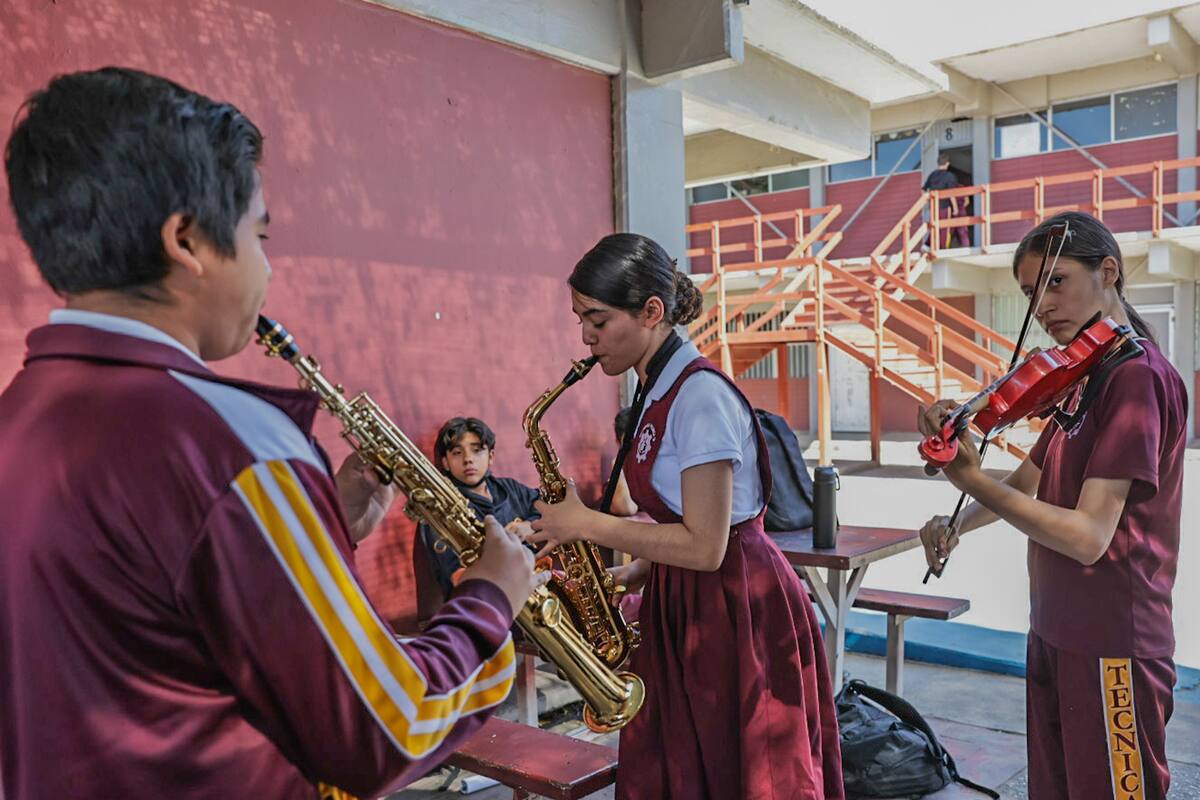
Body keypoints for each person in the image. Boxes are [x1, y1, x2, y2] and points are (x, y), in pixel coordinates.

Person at [0, 67, 540, 799]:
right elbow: (390, 726)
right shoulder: (237, 445)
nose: (268, 268)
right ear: (186, 241)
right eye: (258, 235)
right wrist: (489, 599)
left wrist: (317, 527)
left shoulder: (19, 417)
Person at [529, 233, 843, 800]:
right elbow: (687, 520)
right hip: (692, 596)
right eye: (581, 321)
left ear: (651, 312)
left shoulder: (699, 397)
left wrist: (584, 523)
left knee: (738, 771)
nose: (586, 337)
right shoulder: (658, 386)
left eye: (598, 319)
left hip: (735, 603)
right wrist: (638, 571)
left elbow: (706, 545)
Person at [917, 211, 1185, 800]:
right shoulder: (1081, 376)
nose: (1042, 305)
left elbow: (1088, 537)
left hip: (1113, 642)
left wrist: (969, 477)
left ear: (1108, 272)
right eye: (1029, 293)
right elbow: (1026, 479)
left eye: (1056, 281)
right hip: (1055, 628)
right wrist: (958, 522)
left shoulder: (1135, 378)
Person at [416, 416, 541, 610]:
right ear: (445, 463)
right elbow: (455, 576)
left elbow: (549, 508)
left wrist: (529, 526)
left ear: (491, 456)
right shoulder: (439, 510)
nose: (468, 459)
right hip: (486, 604)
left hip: (536, 588)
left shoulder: (509, 488)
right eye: (457, 453)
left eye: (477, 450)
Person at [923, 153, 969, 248]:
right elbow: (951, 193)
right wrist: (955, 208)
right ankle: (942, 248)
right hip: (944, 207)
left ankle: (930, 246)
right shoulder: (949, 176)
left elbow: (923, 189)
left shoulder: (932, 175)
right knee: (945, 228)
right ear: (947, 163)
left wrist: (927, 201)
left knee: (934, 226)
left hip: (934, 206)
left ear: (938, 163)